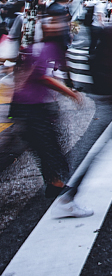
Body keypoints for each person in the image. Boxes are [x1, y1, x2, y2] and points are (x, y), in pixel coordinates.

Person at [8, 14, 93, 218]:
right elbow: (43, 77)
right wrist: (71, 94)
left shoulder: (46, 47)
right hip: (32, 108)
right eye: (53, 23)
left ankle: (55, 186)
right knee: (50, 150)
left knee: (43, 148)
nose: (57, 26)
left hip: (27, 106)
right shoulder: (45, 47)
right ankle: (63, 197)